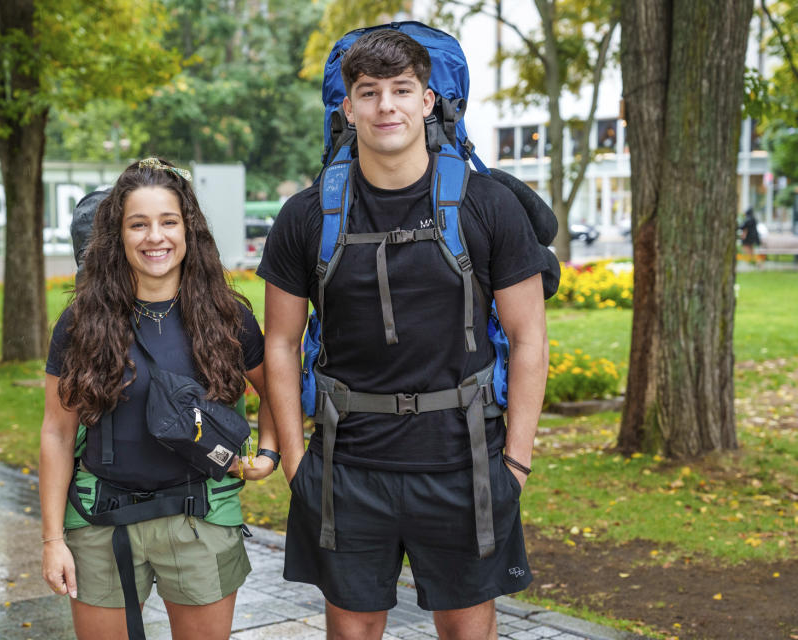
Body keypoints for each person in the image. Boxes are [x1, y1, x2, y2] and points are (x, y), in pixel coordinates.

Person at [258, 30, 548, 640]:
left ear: (426, 100)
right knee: (352, 630)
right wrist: (293, 463)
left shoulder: (487, 205)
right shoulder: (306, 215)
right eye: (368, 92)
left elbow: (528, 336)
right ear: (347, 107)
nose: (385, 105)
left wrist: (515, 462)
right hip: (348, 468)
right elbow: (280, 344)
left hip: (463, 463)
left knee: (468, 631)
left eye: (401, 90)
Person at [39, 158, 279, 640]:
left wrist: (268, 453)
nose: (155, 237)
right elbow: (57, 432)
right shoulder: (80, 322)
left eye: (168, 222)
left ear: (188, 229)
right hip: (100, 523)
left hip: (201, 521)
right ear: (118, 235)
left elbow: (276, 388)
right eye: (138, 224)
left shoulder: (226, 316)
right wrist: (52, 540)